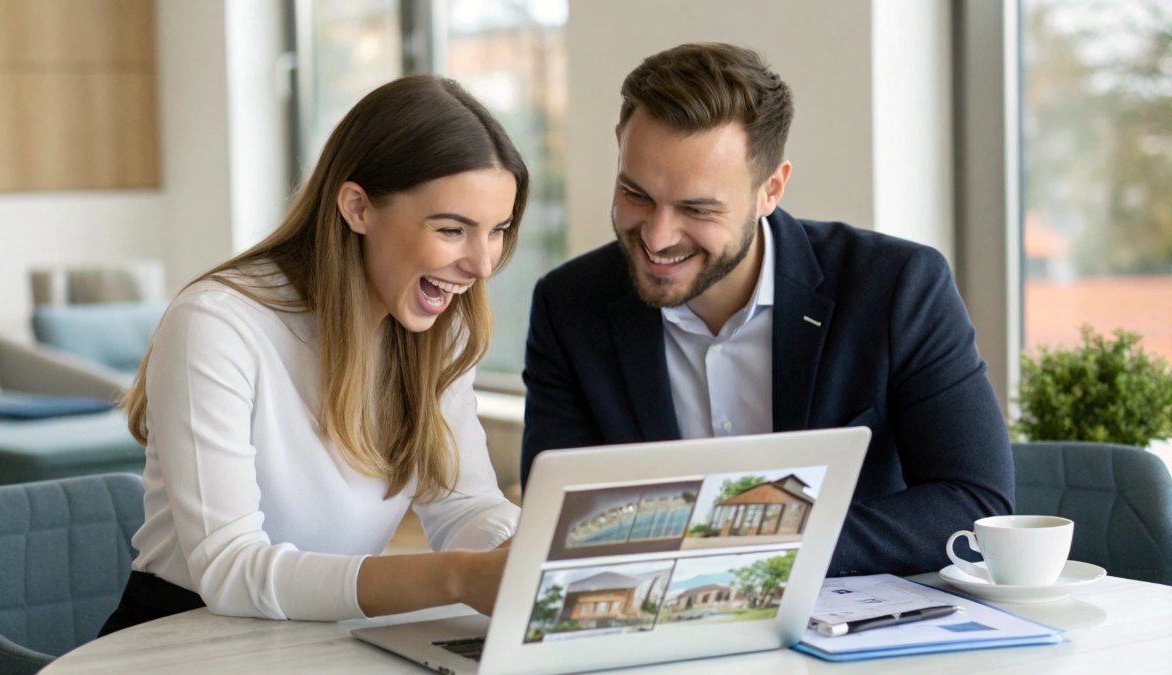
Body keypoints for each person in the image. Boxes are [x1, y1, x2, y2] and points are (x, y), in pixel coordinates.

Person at [521, 43, 1013, 577]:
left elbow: (975, 506)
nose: (658, 237)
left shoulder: (897, 287)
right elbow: (558, 519)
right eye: (635, 194)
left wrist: (751, 545)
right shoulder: (568, 305)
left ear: (770, 189)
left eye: (697, 209)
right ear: (621, 147)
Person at [100, 74, 528, 634]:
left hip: (322, 636)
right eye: (452, 230)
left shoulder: (435, 332)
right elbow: (229, 571)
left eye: (497, 231)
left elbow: (464, 506)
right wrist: (455, 578)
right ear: (357, 207)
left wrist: (526, 550)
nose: (483, 265)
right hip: (183, 635)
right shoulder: (217, 324)